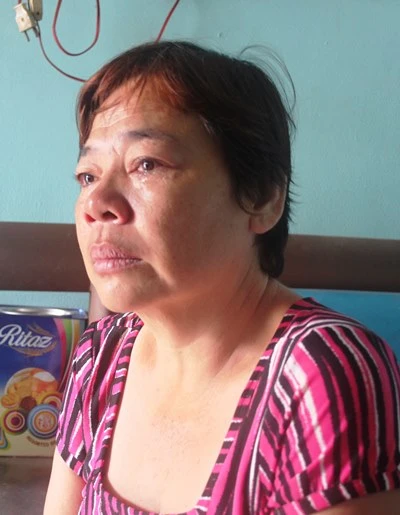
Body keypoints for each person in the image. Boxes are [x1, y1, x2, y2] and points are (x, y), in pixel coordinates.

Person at [44, 41, 400, 514]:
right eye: (87, 176)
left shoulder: (322, 375)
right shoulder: (100, 359)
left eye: (146, 164)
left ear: (262, 197)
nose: (95, 203)